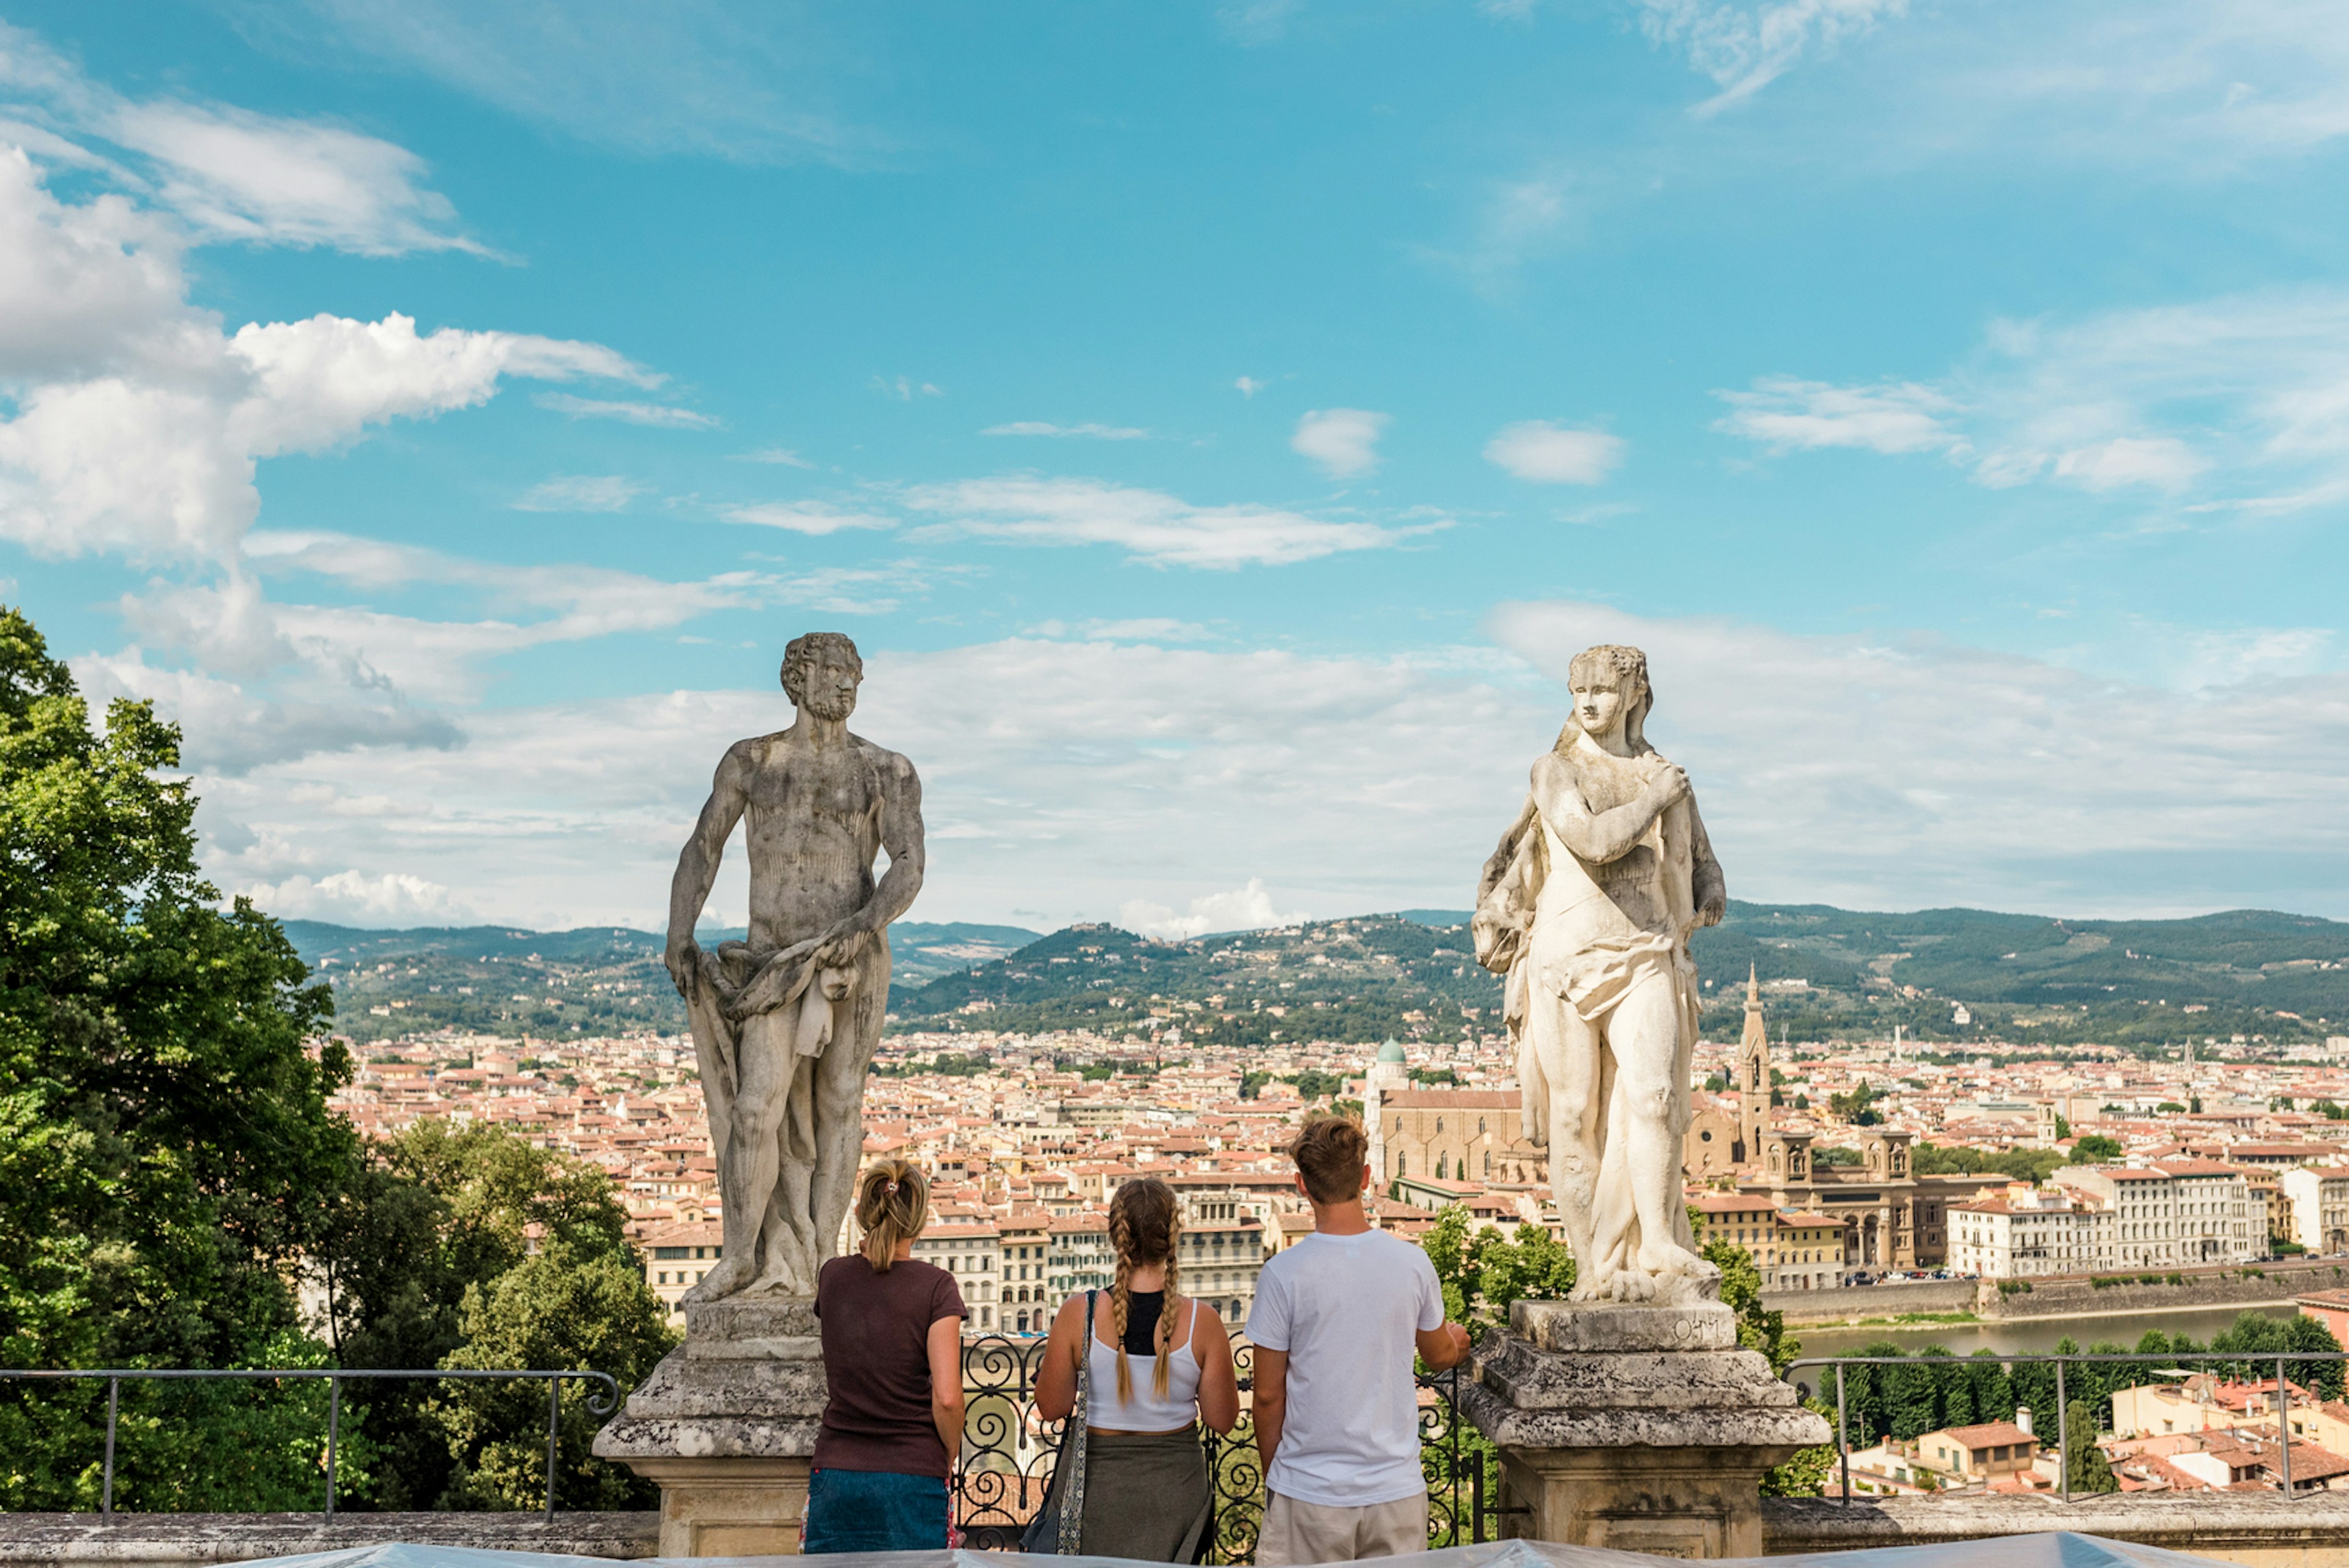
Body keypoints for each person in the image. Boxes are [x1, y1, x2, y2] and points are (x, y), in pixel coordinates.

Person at [1247, 1115, 1472, 1566]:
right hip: (1395, 1490)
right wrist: (1458, 1342)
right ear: (1366, 1178)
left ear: (1302, 1186)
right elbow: (1437, 1357)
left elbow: (1268, 1397)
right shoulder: (1412, 1263)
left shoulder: (1283, 1274)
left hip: (1309, 1489)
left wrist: (1280, 1478)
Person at [1037, 1177, 1241, 1561]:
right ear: (1172, 1235)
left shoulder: (1078, 1314)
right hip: (1175, 1493)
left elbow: (1051, 1408)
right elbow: (1223, 1420)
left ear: (1117, 1237)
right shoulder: (1204, 1322)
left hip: (1097, 1493)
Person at [803, 1160, 967, 1553]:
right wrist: (948, 1456)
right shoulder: (937, 1287)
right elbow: (947, 1398)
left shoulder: (832, 1277)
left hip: (836, 1470)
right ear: (920, 1220)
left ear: (860, 1214)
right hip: (913, 1472)